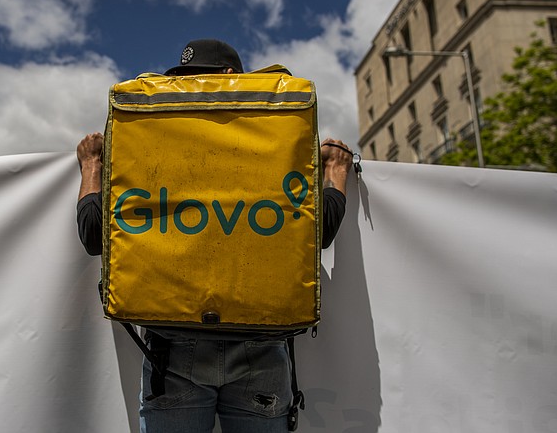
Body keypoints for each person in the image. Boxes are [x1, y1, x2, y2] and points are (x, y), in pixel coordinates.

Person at [76, 39, 353, 433]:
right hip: (261, 348)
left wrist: (91, 165)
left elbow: (92, 235)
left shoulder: (155, 148)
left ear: (228, 78)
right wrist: (336, 172)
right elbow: (317, 233)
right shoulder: (272, 141)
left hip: (170, 352)